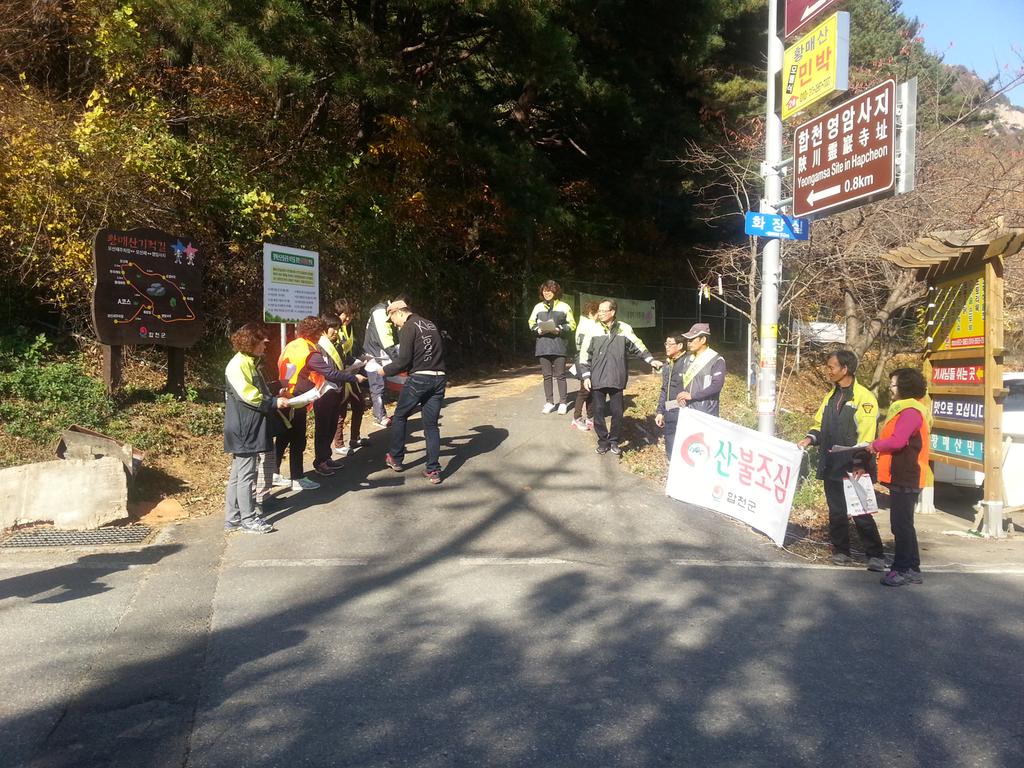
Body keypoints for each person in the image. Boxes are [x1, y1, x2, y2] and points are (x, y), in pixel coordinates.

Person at [797, 350, 886, 571]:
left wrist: (860, 463)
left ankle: (875, 555)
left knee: (861, 511)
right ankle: (841, 551)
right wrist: (810, 438)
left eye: (832, 367)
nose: (828, 371)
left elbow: (867, 436)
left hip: (855, 465)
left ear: (845, 369)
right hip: (832, 463)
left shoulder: (864, 398)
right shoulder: (831, 396)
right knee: (836, 510)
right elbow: (819, 424)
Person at [224, 322, 290, 534]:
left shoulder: (248, 361)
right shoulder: (238, 364)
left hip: (246, 425)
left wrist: (275, 391)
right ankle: (248, 519)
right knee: (246, 475)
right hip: (245, 427)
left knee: (238, 474)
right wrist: (274, 402)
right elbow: (249, 395)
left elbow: (257, 390)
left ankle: (233, 518)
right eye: (262, 342)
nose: (265, 345)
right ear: (251, 342)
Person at [868, 368, 930, 586]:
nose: (890, 388)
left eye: (893, 384)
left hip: (907, 475)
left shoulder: (910, 412)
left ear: (904, 387)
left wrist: (875, 445)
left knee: (901, 526)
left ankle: (901, 569)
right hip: (905, 475)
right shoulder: (908, 410)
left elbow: (897, 441)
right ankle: (912, 568)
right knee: (904, 524)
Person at [580, 299, 662, 456]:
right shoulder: (593, 329)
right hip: (597, 378)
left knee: (617, 412)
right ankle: (603, 441)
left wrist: (651, 360)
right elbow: (584, 354)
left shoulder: (624, 328)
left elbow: (637, 346)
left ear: (612, 312)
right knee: (598, 411)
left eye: (603, 310)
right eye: (599, 310)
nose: (600, 313)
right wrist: (585, 375)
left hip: (617, 377)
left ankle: (614, 441)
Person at [381, 299, 447, 484]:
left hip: (420, 378)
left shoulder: (408, 327)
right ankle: (433, 470)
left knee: (400, 416)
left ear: (399, 312)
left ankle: (395, 458)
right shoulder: (430, 324)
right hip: (439, 377)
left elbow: (403, 361)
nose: (394, 323)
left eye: (392, 319)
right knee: (431, 425)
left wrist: (383, 371)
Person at [309, 313, 366, 476]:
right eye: (332, 327)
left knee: (331, 425)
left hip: (337, 390)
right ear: (324, 329)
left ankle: (326, 458)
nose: (335, 331)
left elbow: (343, 361)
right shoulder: (319, 346)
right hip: (323, 391)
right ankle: (320, 462)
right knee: (322, 428)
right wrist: (352, 377)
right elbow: (328, 371)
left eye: (337, 327)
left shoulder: (336, 344)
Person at [275, 316, 327, 491]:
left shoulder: (292, 345)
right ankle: (297, 478)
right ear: (314, 333)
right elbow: (320, 371)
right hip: (297, 398)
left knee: (284, 437)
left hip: (284, 394)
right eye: (319, 332)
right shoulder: (307, 348)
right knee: (298, 439)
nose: (320, 336)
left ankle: (274, 473)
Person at [528, 280, 577, 414]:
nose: (547, 293)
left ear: (555, 292)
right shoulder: (538, 307)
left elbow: (572, 325)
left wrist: (559, 329)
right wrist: (537, 330)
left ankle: (563, 402)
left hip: (559, 345)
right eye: (545, 290)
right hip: (543, 345)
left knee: (560, 375)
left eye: (549, 290)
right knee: (546, 376)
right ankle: (549, 402)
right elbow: (531, 323)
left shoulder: (564, 306)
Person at [331, 298, 370, 457]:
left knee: (359, 405)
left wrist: (361, 358)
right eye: (345, 315)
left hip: (351, 373)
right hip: (339, 376)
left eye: (350, 315)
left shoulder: (349, 328)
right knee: (341, 410)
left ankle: (355, 438)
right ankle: (339, 444)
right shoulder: (333, 331)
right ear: (336, 314)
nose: (348, 318)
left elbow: (352, 349)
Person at [363, 297, 400, 427]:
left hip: (377, 355)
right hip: (375, 357)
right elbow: (385, 339)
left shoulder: (381, 311)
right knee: (378, 387)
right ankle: (379, 416)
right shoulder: (380, 313)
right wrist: (397, 360)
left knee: (380, 386)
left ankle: (380, 414)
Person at [571, 300, 600, 431]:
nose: (600, 315)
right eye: (598, 312)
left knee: (590, 390)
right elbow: (585, 347)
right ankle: (576, 418)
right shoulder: (588, 325)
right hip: (585, 361)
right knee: (584, 390)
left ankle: (590, 416)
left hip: (589, 361)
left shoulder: (586, 323)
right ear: (591, 313)